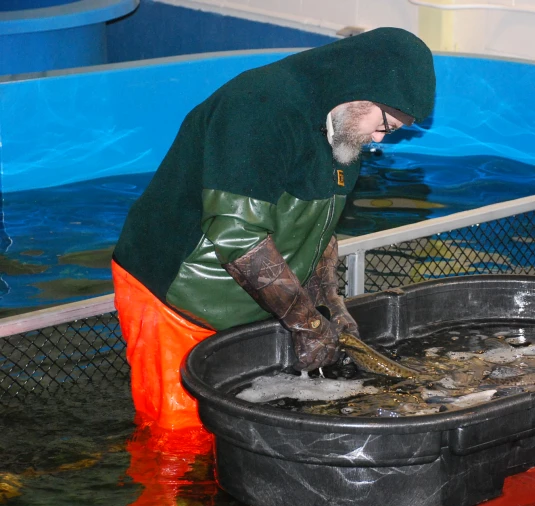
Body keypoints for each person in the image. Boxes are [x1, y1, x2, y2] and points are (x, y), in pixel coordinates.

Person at [111, 27, 437, 432]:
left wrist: (330, 306)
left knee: (233, 432)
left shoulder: (345, 132)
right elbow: (237, 235)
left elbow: (321, 232)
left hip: (253, 303)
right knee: (177, 439)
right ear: (360, 93)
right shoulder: (260, 106)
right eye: (385, 125)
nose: (378, 139)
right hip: (177, 294)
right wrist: (306, 323)